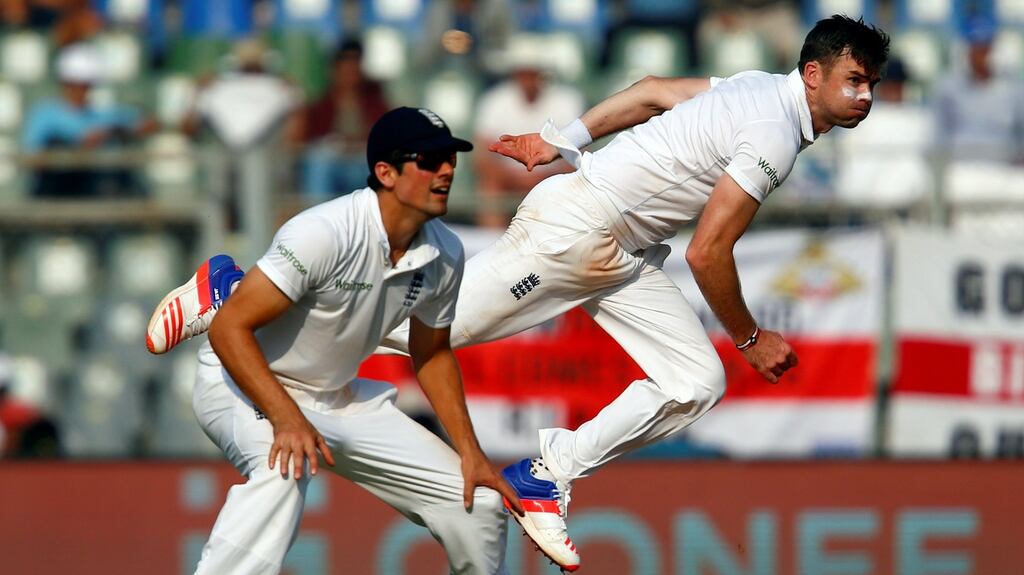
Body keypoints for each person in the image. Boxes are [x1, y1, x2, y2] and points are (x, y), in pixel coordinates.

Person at [147, 15, 889, 572]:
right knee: (426, 332)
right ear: (814, 74)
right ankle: (235, 288)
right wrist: (753, 337)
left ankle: (546, 474)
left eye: (873, 86)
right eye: (853, 80)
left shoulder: (756, 88)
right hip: (578, 230)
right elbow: (708, 250)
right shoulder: (775, 130)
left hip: (617, 250)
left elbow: (654, 93)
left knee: (696, 381)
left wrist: (563, 137)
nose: (864, 98)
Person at [147, 107, 523, 574]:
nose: (446, 170)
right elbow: (229, 331)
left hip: (338, 399)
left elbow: (431, 352)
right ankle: (226, 290)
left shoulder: (445, 253)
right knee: (283, 468)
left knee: (480, 501)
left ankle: (227, 288)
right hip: (243, 383)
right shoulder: (323, 232)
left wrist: (472, 452)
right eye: (428, 160)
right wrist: (286, 417)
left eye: (450, 158)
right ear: (385, 172)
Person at [472, 35, 585, 227]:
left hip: (554, 180)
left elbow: (578, 154)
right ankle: (491, 245)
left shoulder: (567, 101)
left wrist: (542, 178)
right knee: (490, 187)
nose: (528, 79)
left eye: (533, 72)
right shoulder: (495, 101)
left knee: (573, 186)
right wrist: (511, 177)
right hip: (506, 181)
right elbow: (482, 155)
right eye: (523, 72)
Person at [21, 42, 157, 197]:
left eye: (85, 85)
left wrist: (114, 132)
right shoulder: (43, 114)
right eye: (74, 84)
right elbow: (34, 159)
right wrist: (75, 146)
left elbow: (147, 123)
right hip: (57, 190)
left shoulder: (103, 114)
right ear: (64, 83)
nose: (80, 90)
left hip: (96, 190)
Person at [290, 39, 391, 200]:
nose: (350, 73)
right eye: (345, 67)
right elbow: (301, 142)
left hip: (362, 163)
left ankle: (373, 219)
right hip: (332, 162)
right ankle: (318, 218)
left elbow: (387, 137)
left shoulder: (375, 102)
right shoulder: (322, 105)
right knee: (319, 162)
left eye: (354, 67)